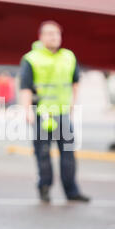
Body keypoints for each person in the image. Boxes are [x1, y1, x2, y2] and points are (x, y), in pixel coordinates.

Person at [19, 20, 90, 203]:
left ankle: (72, 191)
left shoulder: (68, 56)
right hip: (41, 114)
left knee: (68, 155)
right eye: (50, 34)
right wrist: (27, 111)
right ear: (41, 37)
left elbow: (75, 82)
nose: (54, 37)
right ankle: (44, 188)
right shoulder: (31, 58)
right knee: (42, 154)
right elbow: (25, 87)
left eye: (57, 34)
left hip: (63, 113)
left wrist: (73, 105)